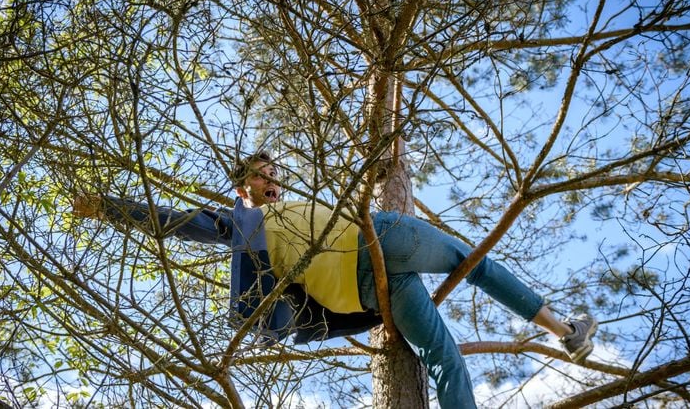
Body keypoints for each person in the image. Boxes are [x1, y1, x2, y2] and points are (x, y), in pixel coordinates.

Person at [73, 152, 597, 409]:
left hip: (377, 245)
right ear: (241, 188)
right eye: (260, 174)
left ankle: (563, 332)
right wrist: (107, 208)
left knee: (446, 349)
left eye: (274, 172)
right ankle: (564, 331)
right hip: (362, 285)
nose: (272, 179)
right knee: (467, 259)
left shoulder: (292, 207)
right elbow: (171, 221)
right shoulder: (239, 223)